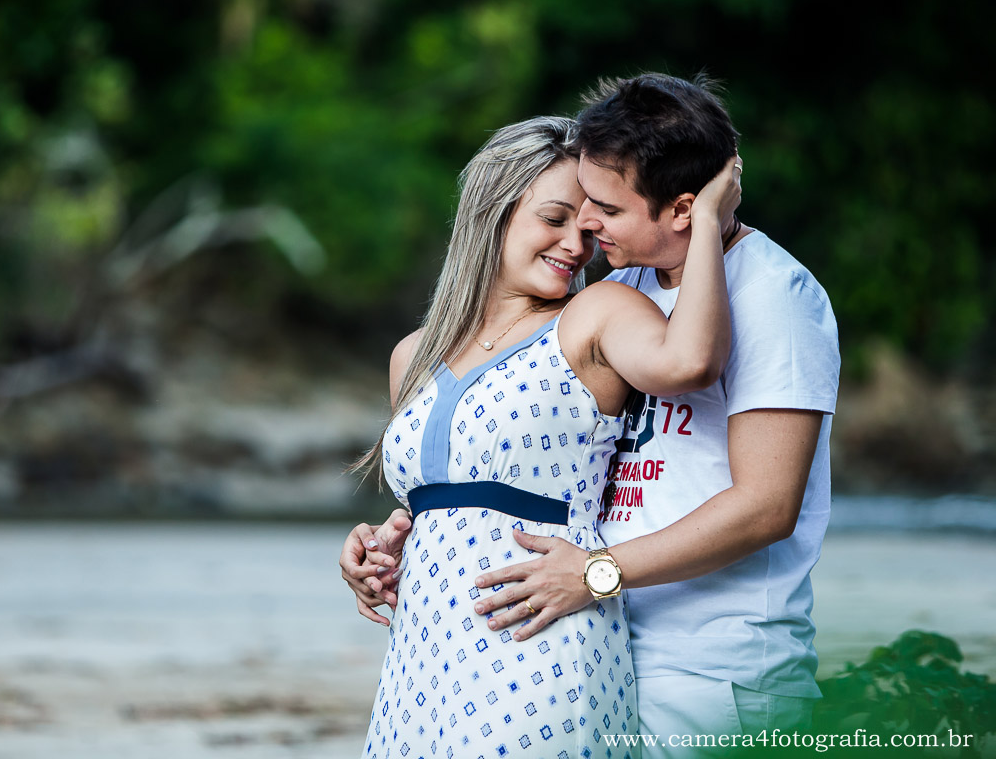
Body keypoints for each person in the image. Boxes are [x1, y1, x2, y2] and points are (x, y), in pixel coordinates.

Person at [345, 74, 840, 757]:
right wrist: (402, 540)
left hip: (719, 668)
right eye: (573, 214)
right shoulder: (627, 283)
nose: (587, 235)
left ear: (685, 210)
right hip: (610, 635)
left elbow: (766, 506)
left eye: (603, 210)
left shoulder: (773, 296)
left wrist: (594, 572)